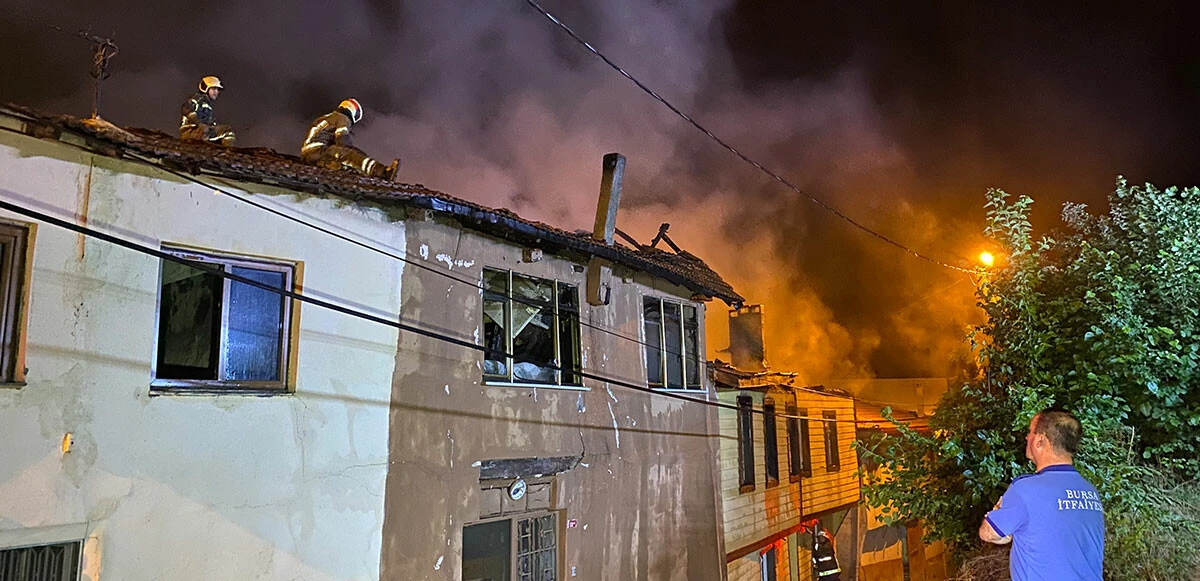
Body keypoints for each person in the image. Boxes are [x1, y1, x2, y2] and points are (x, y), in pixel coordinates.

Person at [979, 408, 1105, 580]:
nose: (1026, 437)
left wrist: (997, 517)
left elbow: (989, 533)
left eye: (1030, 432)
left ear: (1039, 441)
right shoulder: (1090, 491)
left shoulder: (1025, 489)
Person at [300, 99, 400, 181]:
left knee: (341, 160)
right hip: (319, 150)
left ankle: (329, 164)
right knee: (351, 154)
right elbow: (342, 139)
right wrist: (353, 153)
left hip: (309, 154)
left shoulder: (329, 117)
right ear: (351, 109)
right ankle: (382, 172)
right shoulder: (342, 118)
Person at [180, 76, 236, 145]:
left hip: (199, 133)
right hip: (191, 132)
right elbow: (186, 109)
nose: (216, 92)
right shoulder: (197, 99)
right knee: (227, 130)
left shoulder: (207, 105)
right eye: (213, 89)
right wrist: (200, 124)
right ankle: (229, 151)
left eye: (217, 90)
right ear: (205, 88)